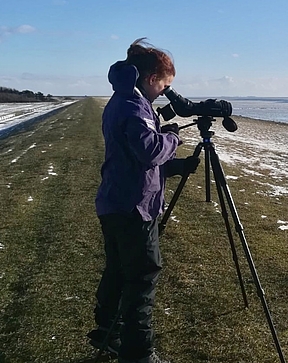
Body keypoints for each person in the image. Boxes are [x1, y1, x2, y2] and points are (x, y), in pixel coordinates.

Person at [89, 38, 198, 363]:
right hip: (134, 208)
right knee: (141, 278)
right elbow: (149, 151)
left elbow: (132, 158)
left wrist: (175, 166)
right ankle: (138, 354)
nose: (164, 92)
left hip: (116, 202)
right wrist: (173, 137)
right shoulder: (134, 106)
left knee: (119, 271)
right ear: (152, 78)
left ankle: (108, 332)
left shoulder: (122, 100)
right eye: (165, 86)